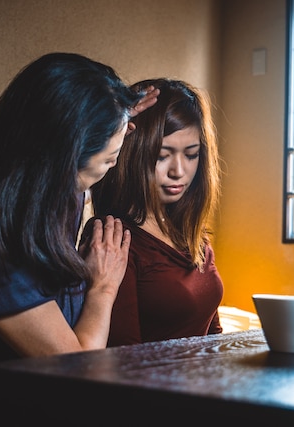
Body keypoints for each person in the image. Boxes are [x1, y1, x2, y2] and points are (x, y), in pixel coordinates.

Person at [0, 52, 158, 426]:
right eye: (107, 159)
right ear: (64, 156)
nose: (115, 165)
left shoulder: (41, 191)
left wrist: (115, 112)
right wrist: (103, 288)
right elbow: (76, 373)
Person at [89, 78, 224, 346]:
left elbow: (213, 338)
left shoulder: (194, 235)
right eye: (163, 155)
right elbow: (123, 358)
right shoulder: (114, 240)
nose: (178, 171)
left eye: (191, 154)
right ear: (134, 153)